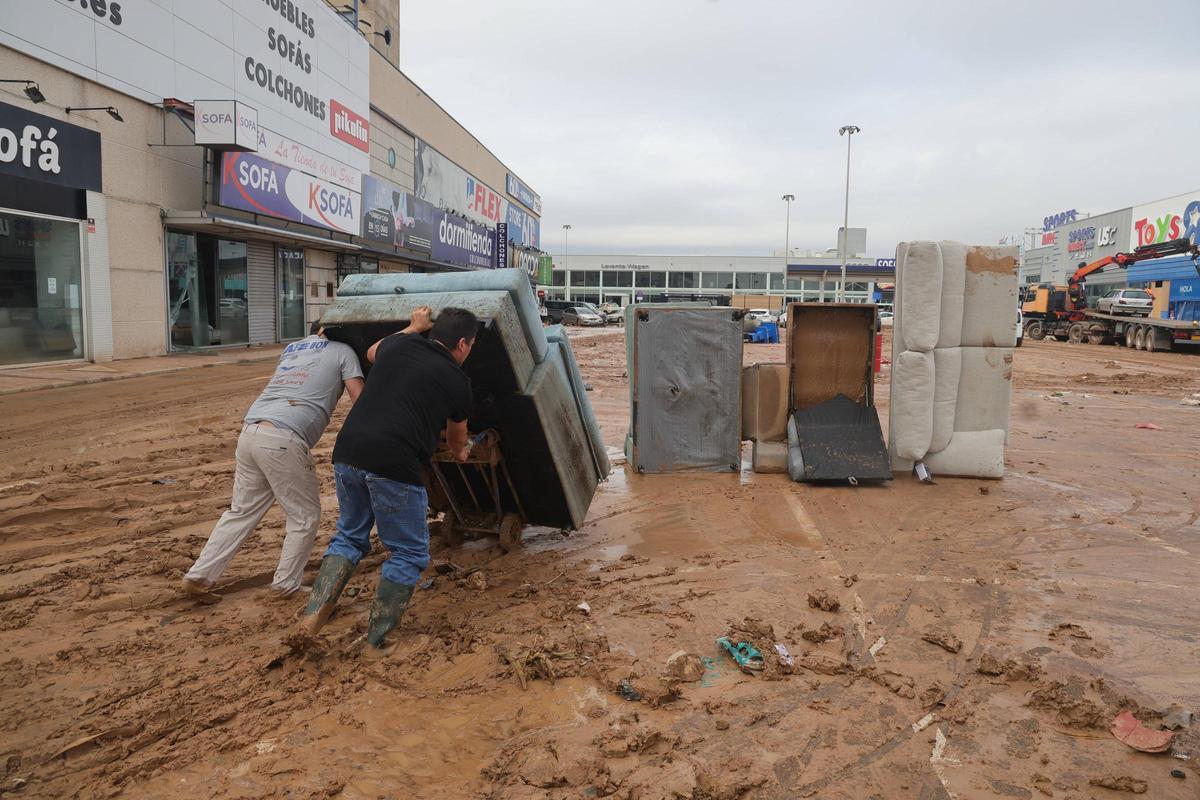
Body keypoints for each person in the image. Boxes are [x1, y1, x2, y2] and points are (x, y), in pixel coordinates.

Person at [179, 309, 433, 603]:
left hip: (251, 431)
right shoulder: (344, 352)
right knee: (305, 516)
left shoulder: (292, 348)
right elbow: (362, 400)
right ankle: (286, 585)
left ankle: (198, 576)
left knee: (241, 512)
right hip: (284, 439)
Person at [291, 307, 477, 651]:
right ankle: (378, 639)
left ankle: (313, 615)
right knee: (408, 552)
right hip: (394, 462)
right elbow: (455, 440)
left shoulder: (399, 346)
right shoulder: (457, 380)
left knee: (348, 536)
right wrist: (463, 452)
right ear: (463, 344)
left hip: (348, 451)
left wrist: (412, 326)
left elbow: (372, 352)